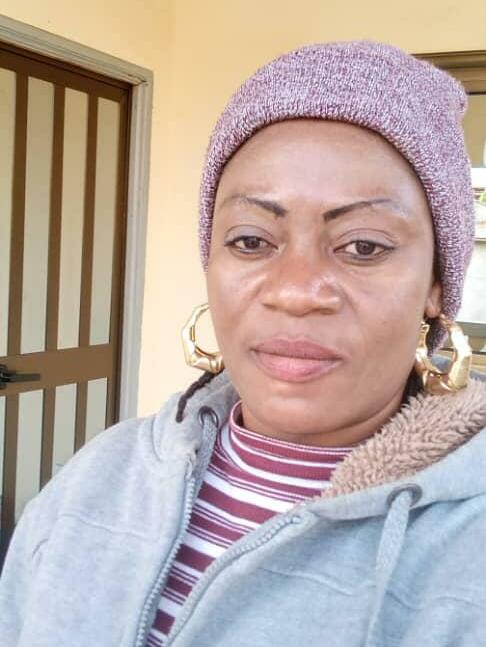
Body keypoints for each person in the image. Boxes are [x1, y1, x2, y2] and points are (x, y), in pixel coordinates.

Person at [1, 39, 486, 647]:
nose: (296, 291)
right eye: (251, 241)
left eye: (364, 246)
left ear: (436, 284)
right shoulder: (101, 473)